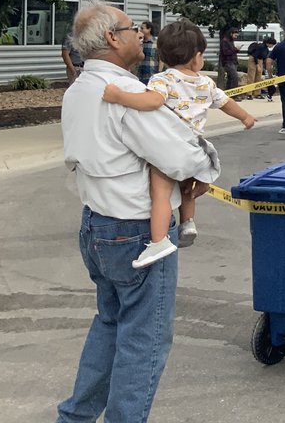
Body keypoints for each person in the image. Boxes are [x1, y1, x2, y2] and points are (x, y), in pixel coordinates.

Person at [48, 1, 220, 423]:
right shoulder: (123, 90)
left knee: (109, 323)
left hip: (97, 223)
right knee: (144, 336)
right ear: (111, 39)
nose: (143, 35)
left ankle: (75, 422)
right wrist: (206, 168)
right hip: (135, 230)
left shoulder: (80, 89)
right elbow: (181, 156)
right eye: (133, 29)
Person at [103, 21, 255, 266]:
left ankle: (159, 240)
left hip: (169, 147)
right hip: (194, 148)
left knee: (160, 194)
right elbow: (226, 103)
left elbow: (152, 102)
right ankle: (188, 222)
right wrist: (245, 117)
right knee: (188, 187)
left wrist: (119, 96)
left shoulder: (162, 80)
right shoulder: (206, 83)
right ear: (197, 58)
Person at [217, 29, 240, 93]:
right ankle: (233, 94)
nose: (236, 37)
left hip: (233, 61)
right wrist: (235, 50)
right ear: (231, 34)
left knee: (230, 78)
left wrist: (236, 50)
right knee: (234, 77)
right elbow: (226, 52)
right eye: (235, 35)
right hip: (228, 62)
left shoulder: (231, 41)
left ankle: (228, 93)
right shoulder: (225, 41)